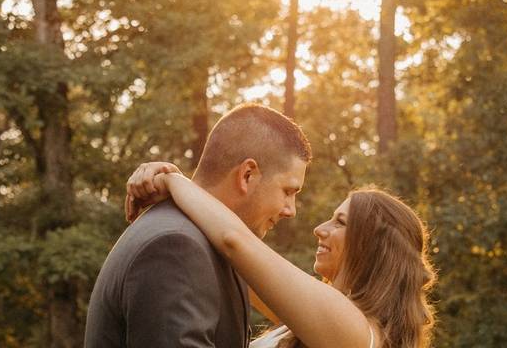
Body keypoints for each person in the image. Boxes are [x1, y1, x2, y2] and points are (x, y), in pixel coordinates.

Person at [125, 166, 437, 348]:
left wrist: (172, 179)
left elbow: (235, 242)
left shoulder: (355, 333)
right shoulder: (325, 324)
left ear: (373, 248)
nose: (319, 229)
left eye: (340, 222)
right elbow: (226, 262)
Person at [84, 104, 311, 348]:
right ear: (247, 175)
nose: (291, 210)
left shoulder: (198, 240)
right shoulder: (177, 246)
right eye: (288, 191)